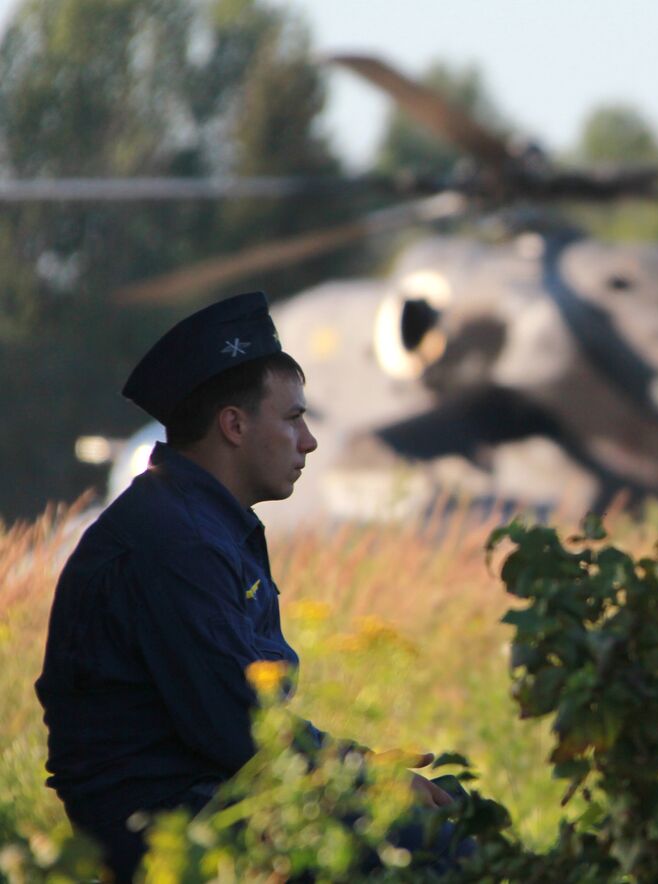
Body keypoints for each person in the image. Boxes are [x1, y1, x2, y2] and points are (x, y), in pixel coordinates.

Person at [34, 292, 456, 883]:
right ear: (233, 426)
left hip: (215, 799)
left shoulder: (198, 523)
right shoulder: (176, 541)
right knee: (436, 843)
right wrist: (361, 776)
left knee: (456, 806)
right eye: (292, 419)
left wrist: (358, 767)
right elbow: (239, 729)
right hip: (172, 829)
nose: (308, 441)